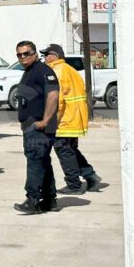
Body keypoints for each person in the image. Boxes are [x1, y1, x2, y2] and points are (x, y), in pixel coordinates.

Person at [41, 44, 102, 194]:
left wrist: (50, 121)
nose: (44, 58)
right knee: (71, 150)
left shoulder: (57, 71)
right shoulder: (70, 70)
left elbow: (58, 101)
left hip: (64, 120)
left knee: (64, 151)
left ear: (55, 56)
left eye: (46, 54)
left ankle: (74, 185)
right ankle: (90, 176)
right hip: (75, 119)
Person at [12, 40, 60, 214]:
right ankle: (49, 200)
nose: (22, 57)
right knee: (42, 162)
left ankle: (32, 200)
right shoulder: (29, 72)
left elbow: (53, 95)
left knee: (35, 162)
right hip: (30, 126)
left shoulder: (43, 71)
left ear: (34, 54)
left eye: (26, 53)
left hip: (39, 126)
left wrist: (45, 120)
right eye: (19, 54)